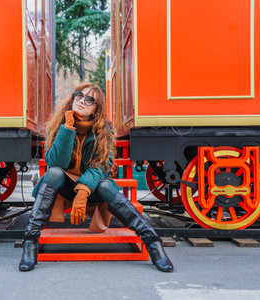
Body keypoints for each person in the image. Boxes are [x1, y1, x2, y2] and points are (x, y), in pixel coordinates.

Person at [19, 83, 173, 272]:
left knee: (106, 186)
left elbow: (102, 167)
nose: (82, 101)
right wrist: (68, 128)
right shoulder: (58, 125)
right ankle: (30, 241)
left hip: (93, 191)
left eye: (89, 99)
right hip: (64, 188)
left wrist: (83, 190)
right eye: (78, 96)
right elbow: (55, 162)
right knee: (54, 173)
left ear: (96, 109)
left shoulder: (104, 131)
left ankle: (152, 241)